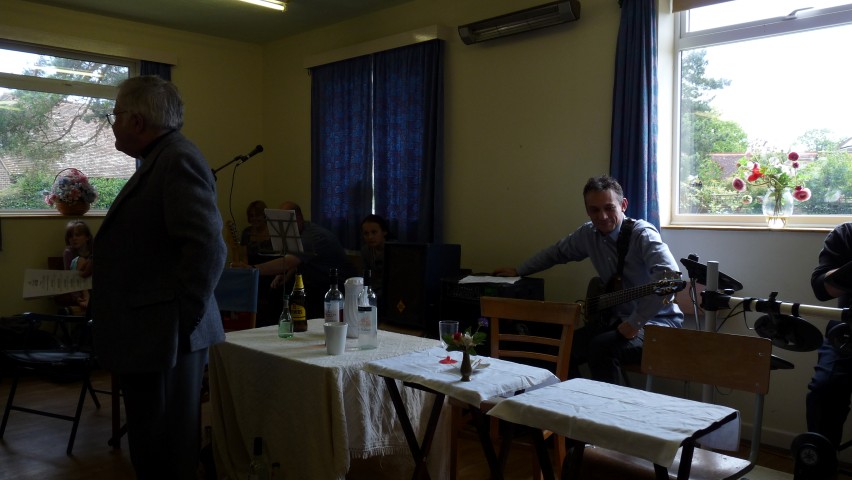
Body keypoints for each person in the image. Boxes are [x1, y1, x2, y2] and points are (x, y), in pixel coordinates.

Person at [90, 75, 226, 479]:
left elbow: (208, 247)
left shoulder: (176, 159)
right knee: (153, 442)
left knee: (166, 448)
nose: (112, 124)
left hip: (167, 334)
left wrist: (182, 319)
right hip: (153, 331)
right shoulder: (160, 158)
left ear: (137, 121)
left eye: (115, 115)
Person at [494, 175, 683, 385]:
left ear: (623, 205)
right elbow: (555, 253)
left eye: (609, 208)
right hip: (615, 321)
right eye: (594, 210)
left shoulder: (643, 234)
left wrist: (634, 323)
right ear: (587, 211)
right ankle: (576, 398)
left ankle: (608, 406)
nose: (602, 216)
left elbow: (670, 277)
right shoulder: (588, 234)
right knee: (562, 349)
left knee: (601, 348)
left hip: (656, 324)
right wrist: (519, 270)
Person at [249, 201, 354, 319]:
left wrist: (252, 269)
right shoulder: (301, 231)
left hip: (336, 285)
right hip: (316, 281)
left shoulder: (312, 236)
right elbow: (300, 260)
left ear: (298, 218)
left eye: (285, 220)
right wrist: (286, 273)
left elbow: (289, 261)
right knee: (277, 291)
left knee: (293, 296)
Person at [807, 222, 852, 450]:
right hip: (847, 332)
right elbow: (821, 289)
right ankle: (818, 461)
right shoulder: (845, 233)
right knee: (823, 391)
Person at [239, 200, 280, 327]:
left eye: (257, 215)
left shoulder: (274, 231)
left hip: (271, 274)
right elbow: (244, 257)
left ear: (264, 215)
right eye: (251, 215)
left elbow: (281, 256)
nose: (254, 218)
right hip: (253, 274)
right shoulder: (246, 233)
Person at [57, 220, 93, 314]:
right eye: (71, 236)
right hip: (78, 287)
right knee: (80, 260)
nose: (74, 238)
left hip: (93, 284)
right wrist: (77, 297)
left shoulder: (94, 250)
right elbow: (69, 277)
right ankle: (86, 298)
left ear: (87, 237)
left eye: (78, 235)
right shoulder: (68, 252)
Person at [360, 213, 392, 297]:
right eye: (366, 233)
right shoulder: (366, 251)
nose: (370, 237)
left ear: (384, 232)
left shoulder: (394, 250)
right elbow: (365, 277)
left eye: (374, 232)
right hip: (371, 293)